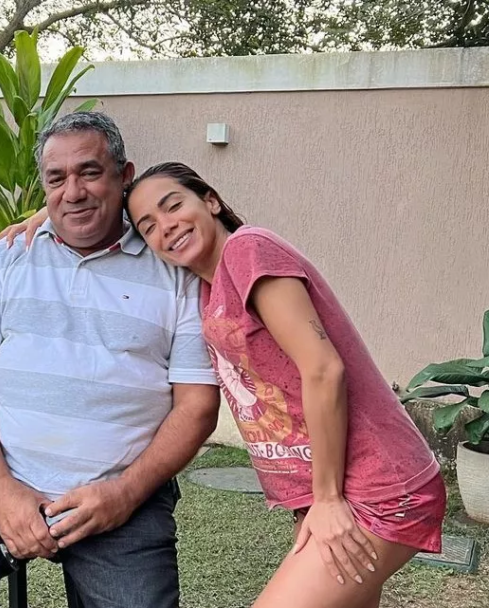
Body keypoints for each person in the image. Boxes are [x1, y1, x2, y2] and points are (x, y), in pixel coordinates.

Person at [0, 111, 221, 608]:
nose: (73, 192)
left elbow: (197, 406)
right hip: (0, 474)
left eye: (89, 172)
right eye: (57, 178)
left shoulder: (174, 269)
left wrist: (125, 494)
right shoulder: (6, 257)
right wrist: (0, 492)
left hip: (121, 486)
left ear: (124, 175)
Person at [122, 161, 445, 608]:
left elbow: (323, 369)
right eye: (148, 226)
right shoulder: (205, 287)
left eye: (173, 206)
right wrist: (49, 216)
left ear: (211, 201)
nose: (166, 226)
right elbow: (103, 222)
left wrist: (327, 499)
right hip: (329, 493)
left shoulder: (247, 250)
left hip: (378, 488)